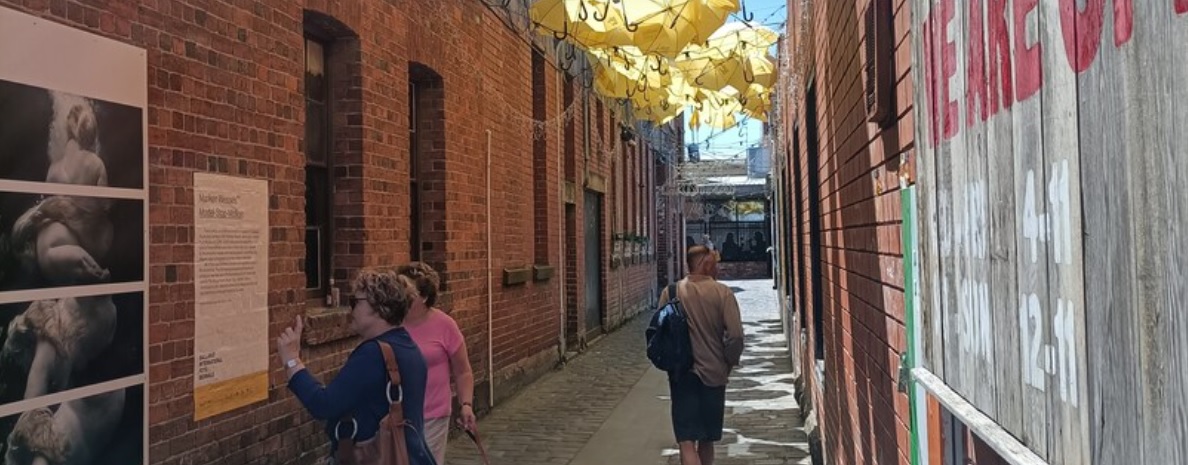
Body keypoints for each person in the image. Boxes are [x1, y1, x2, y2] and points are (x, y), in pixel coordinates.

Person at [277, 269, 434, 465]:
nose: (351, 309)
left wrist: (292, 360)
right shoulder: (409, 347)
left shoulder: (373, 354)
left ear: (379, 308)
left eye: (355, 302)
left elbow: (324, 405)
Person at [657, 246, 744, 465]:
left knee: (686, 441)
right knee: (707, 440)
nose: (718, 267)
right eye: (715, 263)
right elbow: (735, 336)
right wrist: (728, 363)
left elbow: (659, 334)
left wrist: (669, 363)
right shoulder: (723, 293)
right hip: (714, 374)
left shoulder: (671, 292)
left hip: (682, 375)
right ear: (705, 264)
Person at [397, 262, 476, 465]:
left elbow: (462, 371)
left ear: (424, 297)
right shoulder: (389, 324)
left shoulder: (444, 325)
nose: (401, 298)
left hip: (432, 415)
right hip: (395, 417)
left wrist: (466, 404)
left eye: (408, 293)